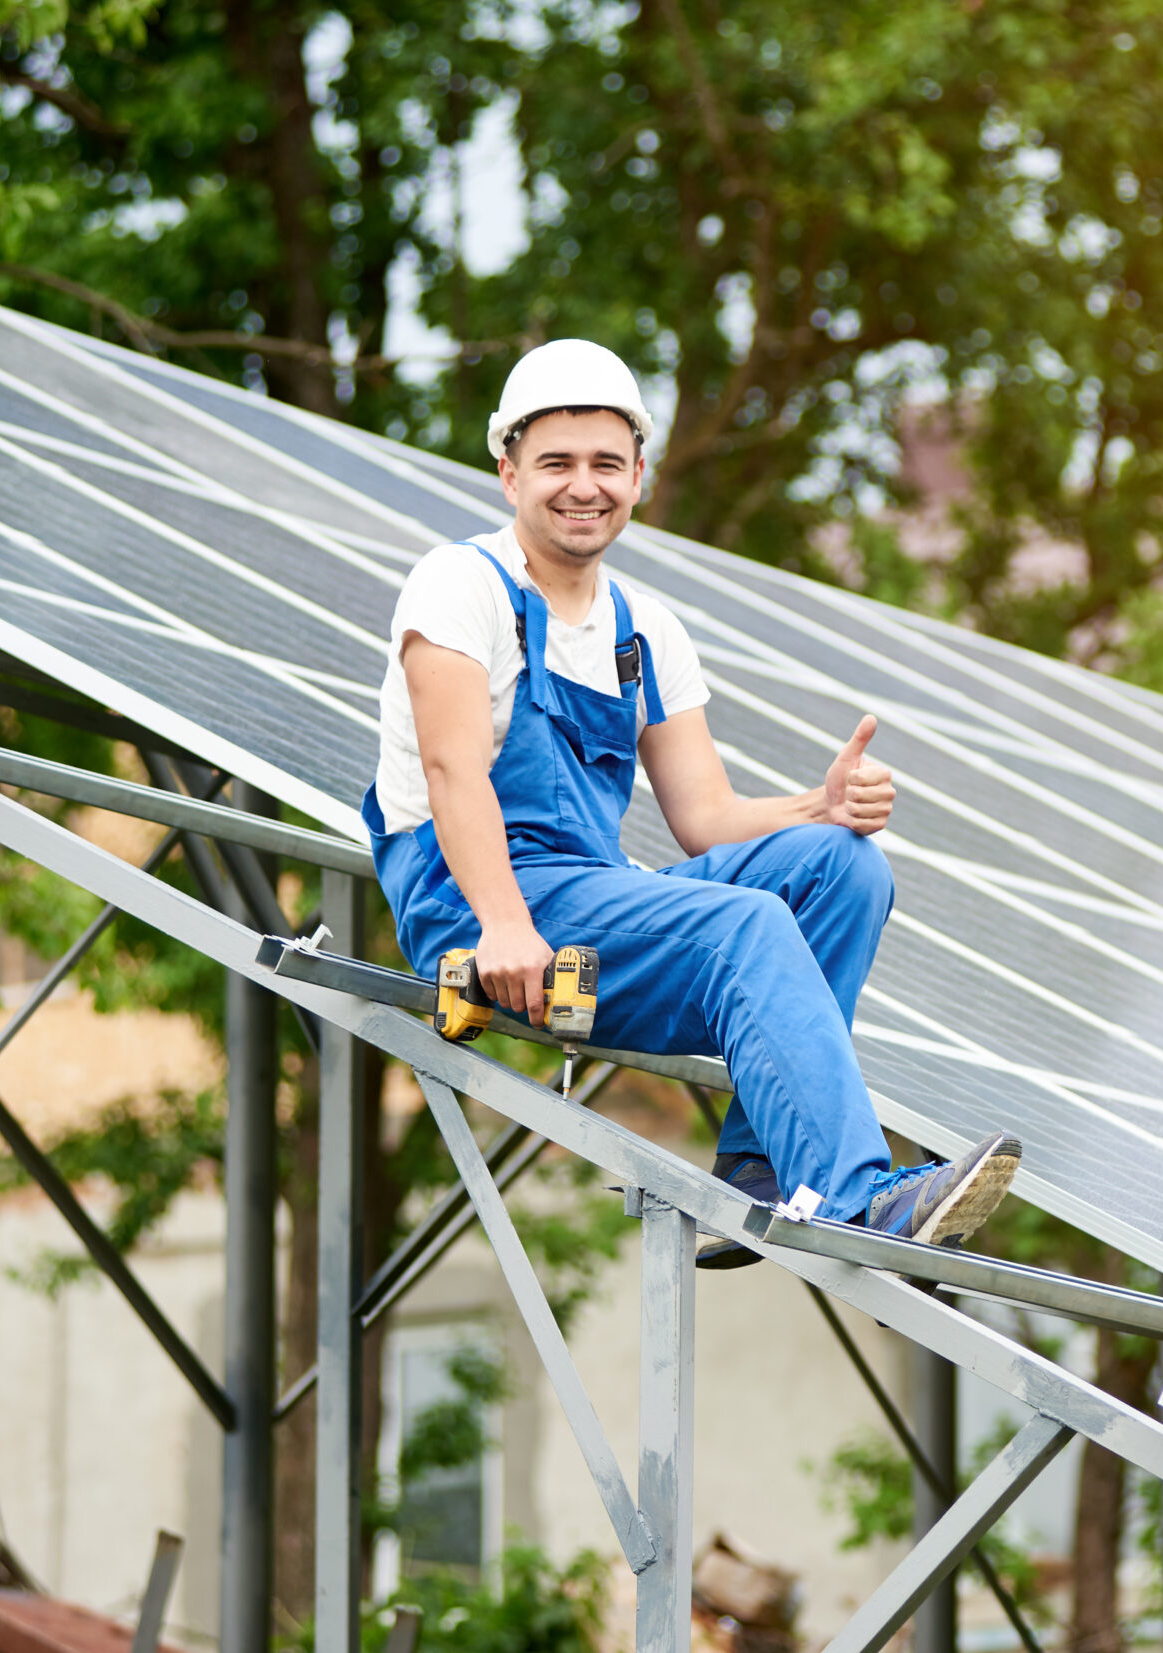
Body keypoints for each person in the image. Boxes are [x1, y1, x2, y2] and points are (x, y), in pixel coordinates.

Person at [361, 339, 1017, 1264]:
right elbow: (451, 770)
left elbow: (704, 819)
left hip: (585, 889)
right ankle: (857, 1199)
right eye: (555, 463)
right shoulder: (461, 586)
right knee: (743, 927)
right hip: (476, 905)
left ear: (638, 473)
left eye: (604, 464)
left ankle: (759, 1166)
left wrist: (818, 805)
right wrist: (503, 927)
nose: (582, 486)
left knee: (842, 868)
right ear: (507, 472)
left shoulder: (643, 630)